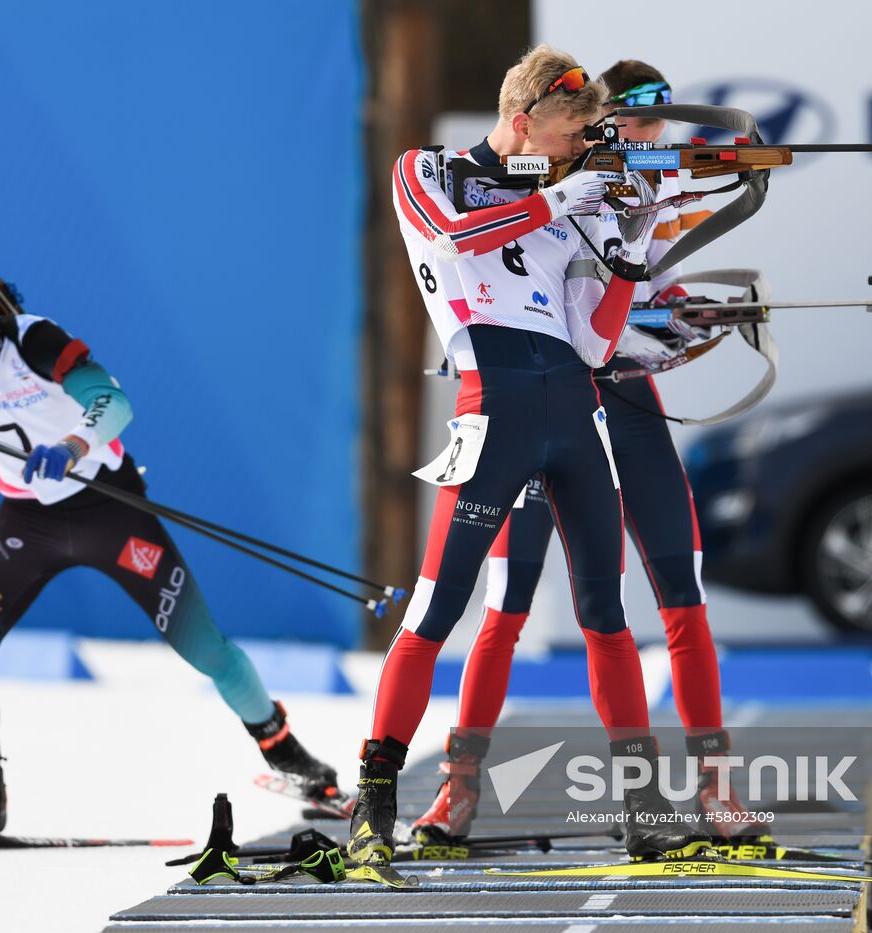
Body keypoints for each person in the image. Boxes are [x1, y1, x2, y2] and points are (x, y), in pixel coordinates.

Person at [0, 264, 337, 839]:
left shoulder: (33, 340)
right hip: (26, 525)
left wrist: (74, 442)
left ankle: (293, 761)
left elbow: (114, 402)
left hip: (109, 511)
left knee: (205, 647)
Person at [349, 45, 701, 866]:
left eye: (588, 133)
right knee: (436, 612)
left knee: (605, 615)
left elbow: (595, 339)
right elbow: (450, 237)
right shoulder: (427, 169)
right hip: (494, 409)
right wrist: (560, 200)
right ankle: (373, 804)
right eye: (574, 127)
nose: (583, 143)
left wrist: (627, 248)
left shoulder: (567, 198)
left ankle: (644, 807)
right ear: (523, 118)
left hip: (573, 413)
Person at [407, 60, 764, 848]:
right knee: (506, 601)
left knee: (681, 585)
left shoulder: (640, 189)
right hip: (551, 402)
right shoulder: (557, 181)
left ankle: (712, 787)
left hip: (624, 405)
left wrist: (686, 321)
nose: (644, 138)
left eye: (655, 126)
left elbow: (639, 302)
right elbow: (496, 263)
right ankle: (458, 789)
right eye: (626, 125)